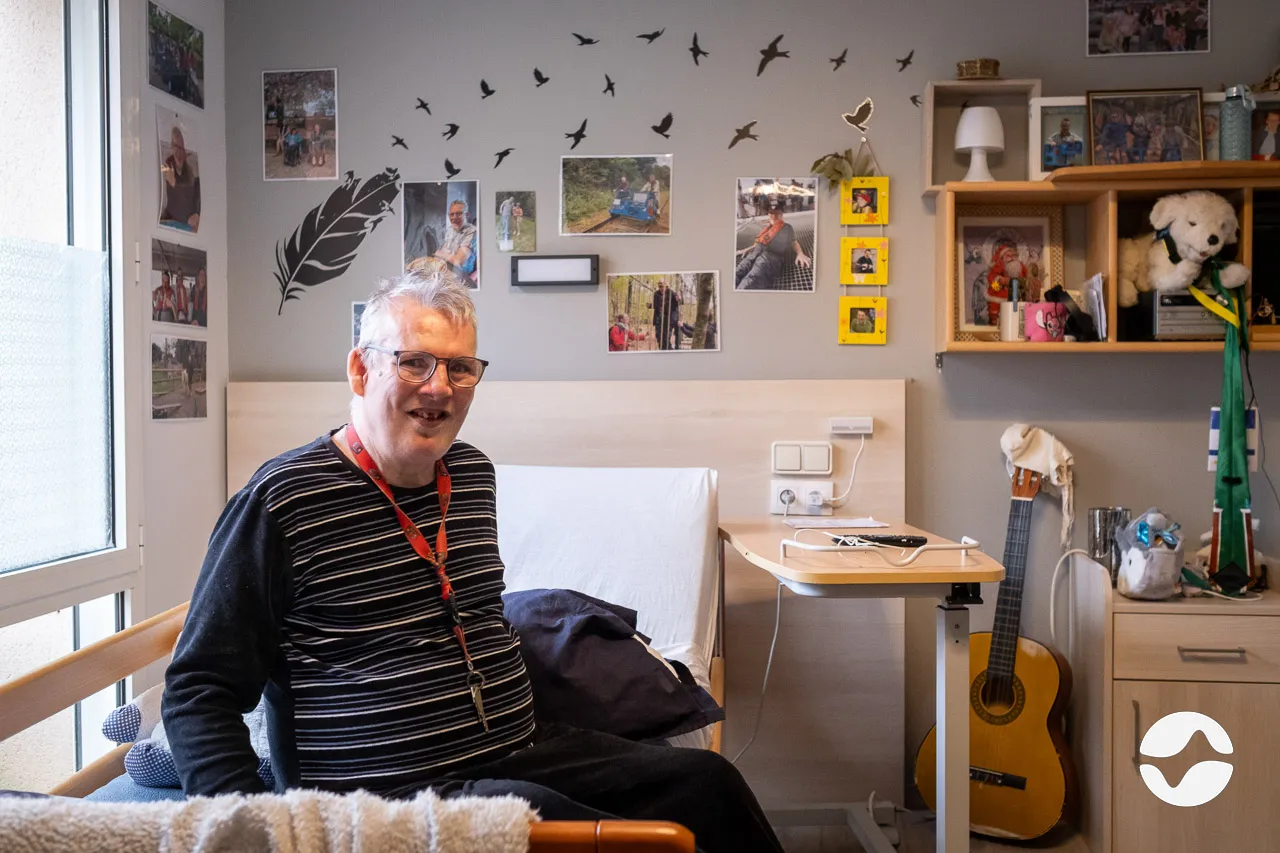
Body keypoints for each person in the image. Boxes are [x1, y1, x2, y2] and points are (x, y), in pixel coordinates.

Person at [161, 269, 783, 853]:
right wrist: (247, 829)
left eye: (460, 368)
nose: (439, 388)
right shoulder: (283, 499)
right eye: (414, 363)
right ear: (360, 370)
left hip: (521, 748)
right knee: (594, 832)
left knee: (707, 782)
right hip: (392, 797)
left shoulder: (471, 474)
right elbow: (199, 688)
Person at [734, 196, 811, 291]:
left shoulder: (787, 227)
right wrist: (747, 249)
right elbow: (760, 243)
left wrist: (800, 253)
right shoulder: (767, 228)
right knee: (737, 272)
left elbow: (794, 242)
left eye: (776, 213)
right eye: (771, 213)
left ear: (781, 215)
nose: (773, 215)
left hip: (770, 258)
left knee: (751, 281)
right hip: (754, 254)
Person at [161, 125, 201, 232]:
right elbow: (173, 187)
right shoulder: (167, 165)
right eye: (176, 146)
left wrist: (197, 213)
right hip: (177, 218)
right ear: (172, 147)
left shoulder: (189, 169)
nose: (179, 151)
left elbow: (196, 190)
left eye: (181, 147)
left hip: (190, 218)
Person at [433, 199, 478, 286]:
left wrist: (440, 254)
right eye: (452, 214)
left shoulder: (472, 231)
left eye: (458, 214)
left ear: (467, 215)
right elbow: (443, 250)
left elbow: (458, 261)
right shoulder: (450, 230)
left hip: (462, 277)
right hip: (448, 271)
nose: (454, 217)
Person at [649, 279, 679, 350]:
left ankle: (669, 350)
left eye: (662, 286)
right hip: (658, 318)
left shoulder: (671, 293)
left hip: (668, 319)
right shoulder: (656, 294)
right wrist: (650, 305)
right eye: (659, 286)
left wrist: (678, 298)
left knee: (666, 337)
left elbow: (678, 303)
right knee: (658, 336)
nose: (661, 288)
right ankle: (662, 350)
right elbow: (655, 305)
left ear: (666, 286)